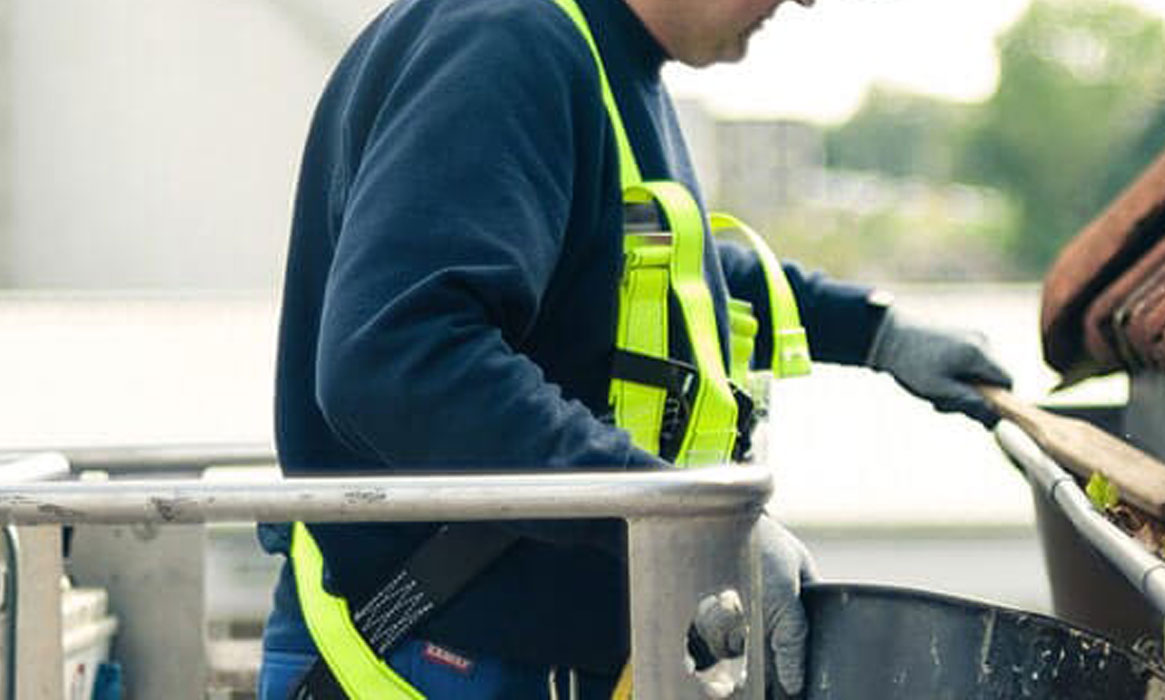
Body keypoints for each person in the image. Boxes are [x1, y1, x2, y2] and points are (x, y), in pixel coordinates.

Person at [256, 0, 1014, 696]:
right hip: (432, 650)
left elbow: (637, 270)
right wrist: (687, 530)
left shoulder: (597, 54)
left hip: (509, 649)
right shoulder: (504, 41)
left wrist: (875, 331)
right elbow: (397, 359)